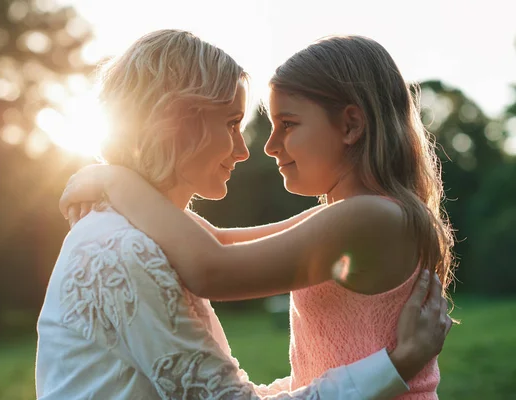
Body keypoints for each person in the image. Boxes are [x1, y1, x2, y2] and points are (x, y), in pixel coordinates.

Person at [38, 30, 451, 400]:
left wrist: (117, 183)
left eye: (287, 124)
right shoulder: (352, 214)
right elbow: (219, 240)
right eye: (236, 123)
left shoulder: (368, 218)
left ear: (350, 126)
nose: (265, 146)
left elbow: (213, 266)